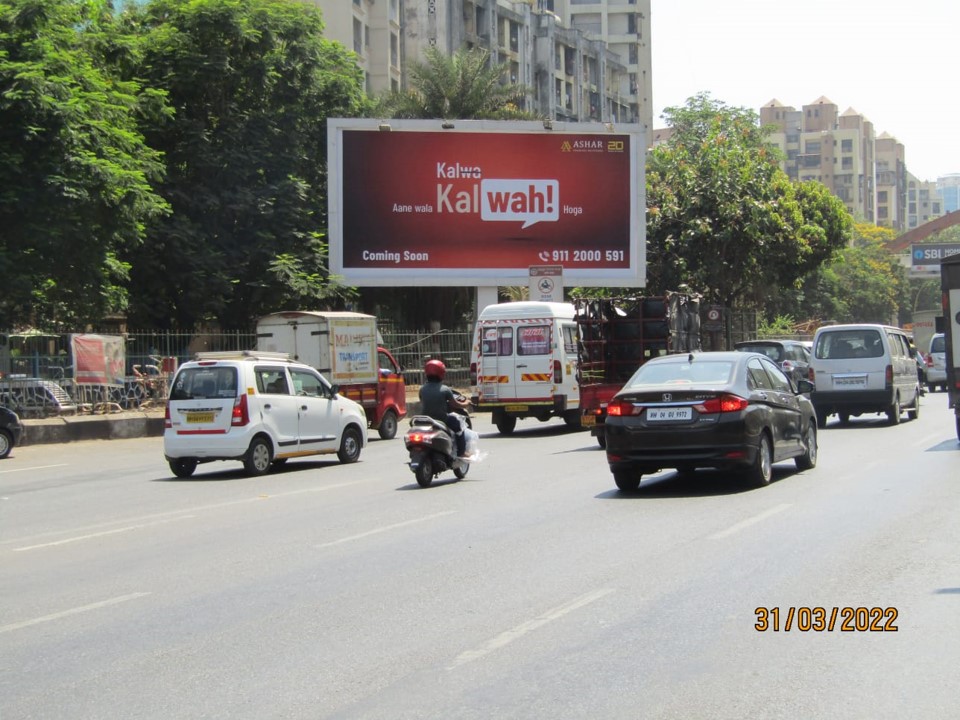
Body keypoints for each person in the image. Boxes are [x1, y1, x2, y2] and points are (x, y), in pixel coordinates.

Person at [419, 359, 471, 456]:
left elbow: (423, 401)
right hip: (442, 419)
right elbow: (455, 404)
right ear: (441, 373)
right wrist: (466, 403)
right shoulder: (445, 389)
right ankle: (462, 452)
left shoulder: (422, 389)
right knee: (459, 425)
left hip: (425, 420)